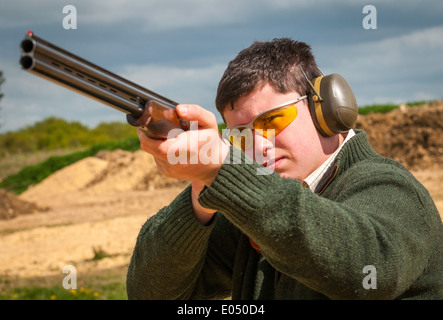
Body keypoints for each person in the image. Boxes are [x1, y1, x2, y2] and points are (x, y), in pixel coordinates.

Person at [126, 38, 442, 300]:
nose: (257, 146)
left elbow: (365, 273)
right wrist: (201, 191)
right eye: (240, 134)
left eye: (272, 121)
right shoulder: (251, 208)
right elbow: (152, 293)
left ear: (327, 108)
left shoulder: (390, 188)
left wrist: (222, 167)